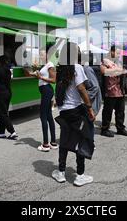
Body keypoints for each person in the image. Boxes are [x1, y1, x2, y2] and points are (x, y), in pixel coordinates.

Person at [52, 42, 96, 187]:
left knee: (64, 141)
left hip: (63, 110)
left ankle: (61, 172)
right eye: (77, 50)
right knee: (81, 140)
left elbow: (59, 90)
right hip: (76, 110)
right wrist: (89, 108)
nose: (79, 52)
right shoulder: (77, 67)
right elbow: (82, 89)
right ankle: (80, 175)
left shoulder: (60, 69)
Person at [100, 46, 127, 138]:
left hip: (120, 91)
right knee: (107, 111)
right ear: (112, 52)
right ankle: (105, 129)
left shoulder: (118, 62)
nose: (119, 55)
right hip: (109, 92)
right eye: (117, 53)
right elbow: (104, 71)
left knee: (120, 111)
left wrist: (118, 71)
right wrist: (118, 71)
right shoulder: (105, 61)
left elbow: (125, 71)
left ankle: (120, 128)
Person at [34, 46, 58, 152]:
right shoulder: (45, 65)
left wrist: (41, 78)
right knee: (48, 116)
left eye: (42, 54)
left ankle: (45, 144)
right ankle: (53, 142)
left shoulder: (50, 65)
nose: (40, 56)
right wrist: (34, 73)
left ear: (47, 55)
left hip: (47, 91)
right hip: (45, 91)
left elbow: (53, 80)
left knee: (43, 116)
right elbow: (42, 77)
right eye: (40, 54)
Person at [0, 55, 18, 140]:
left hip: (1, 94)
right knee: (2, 113)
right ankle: (1, 133)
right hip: (8, 93)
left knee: (3, 114)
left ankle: (12, 132)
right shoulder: (8, 71)